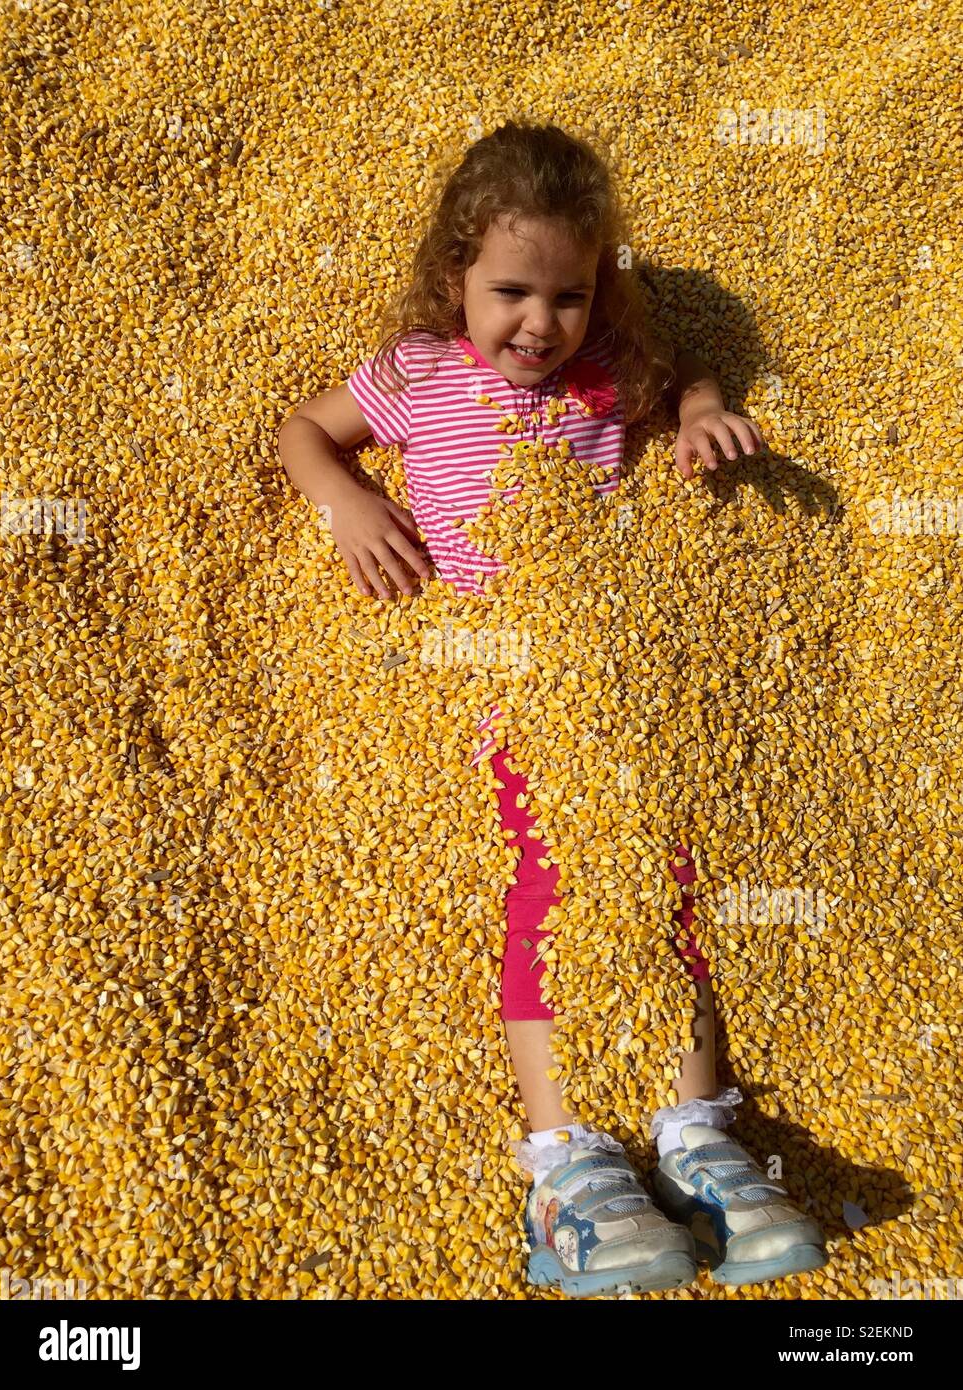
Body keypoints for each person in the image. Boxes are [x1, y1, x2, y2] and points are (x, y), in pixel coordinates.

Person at [278, 119, 828, 1298]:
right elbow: (305, 430)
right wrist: (346, 501)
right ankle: (565, 1159)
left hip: (604, 677)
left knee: (661, 875)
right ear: (453, 282)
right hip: (497, 676)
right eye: (510, 291)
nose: (539, 323)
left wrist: (695, 413)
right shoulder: (419, 373)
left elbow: (679, 377)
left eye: (568, 296)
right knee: (549, 880)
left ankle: (700, 1140)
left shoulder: (603, 375)